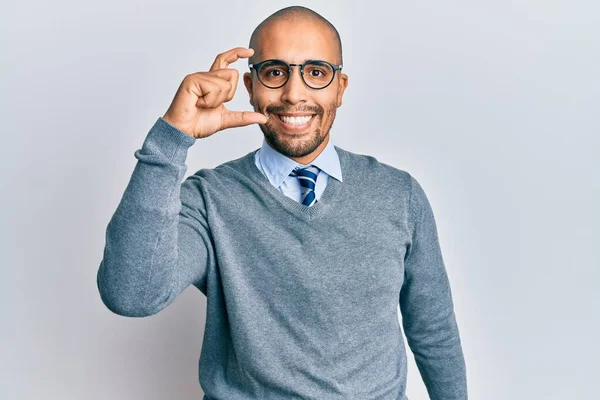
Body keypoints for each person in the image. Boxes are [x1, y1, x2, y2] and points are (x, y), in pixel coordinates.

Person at [96, 5, 468, 400]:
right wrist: (172, 137)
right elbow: (130, 295)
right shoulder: (208, 200)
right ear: (250, 86)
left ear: (340, 88)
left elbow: (434, 331)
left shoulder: (400, 195)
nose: (294, 93)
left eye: (316, 72)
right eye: (275, 72)